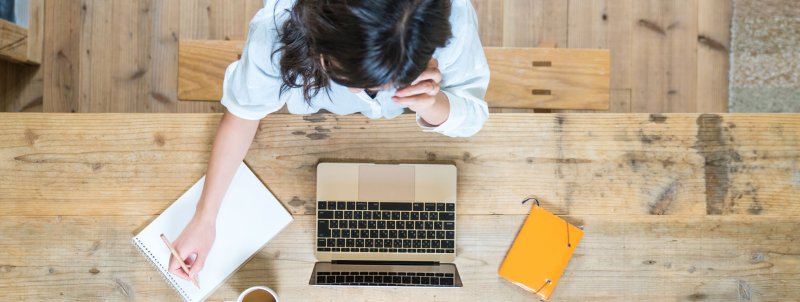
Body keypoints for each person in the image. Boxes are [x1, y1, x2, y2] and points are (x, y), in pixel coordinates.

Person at [168, 0, 489, 280]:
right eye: (357, 80)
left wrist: (434, 105)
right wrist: (204, 218)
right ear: (320, 52)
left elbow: (473, 115)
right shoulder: (276, 31)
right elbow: (242, 115)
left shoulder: (452, 18)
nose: (377, 93)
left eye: (394, 80)